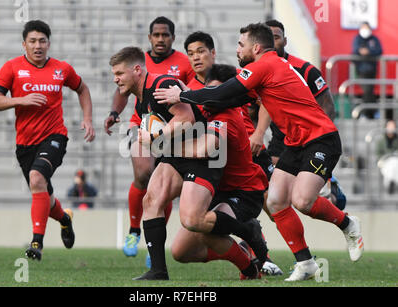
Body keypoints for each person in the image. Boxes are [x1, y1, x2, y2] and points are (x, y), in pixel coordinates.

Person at [154, 23, 364, 281]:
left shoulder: (263, 65)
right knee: (276, 201)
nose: (237, 49)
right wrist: (193, 98)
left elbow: (224, 91)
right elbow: (231, 99)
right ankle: (306, 262)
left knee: (302, 201)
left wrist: (183, 96)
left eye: (240, 45)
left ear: (255, 47)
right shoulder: (267, 69)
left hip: (321, 139)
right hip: (296, 142)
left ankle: (348, 224)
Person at [0, 20, 96, 260]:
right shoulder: (12, 68)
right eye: (32, 41)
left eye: (42, 41)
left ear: (49, 43)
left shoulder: (62, 69)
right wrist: (20, 100)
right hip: (25, 143)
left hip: (55, 136)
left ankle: (36, 244)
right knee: (42, 194)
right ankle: (65, 219)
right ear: (24, 44)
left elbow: (82, 89)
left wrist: (88, 119)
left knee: (37, 179)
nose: (38, 46)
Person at [184, 31, 281, 276]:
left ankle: (260, 250)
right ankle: (244, 245)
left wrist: (259, 133)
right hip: (219, 181)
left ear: (213, 53)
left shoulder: (231, 91)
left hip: (246, 169)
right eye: (191, 53)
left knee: (276, 203)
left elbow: (266, 98)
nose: (196, 57)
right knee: (181, 251)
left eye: (201, 51)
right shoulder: (193, 91)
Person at [103, 16, 194, 259]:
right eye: (157, 35)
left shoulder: (184, 63)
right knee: (144, 173)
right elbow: (122, 90)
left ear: (173, 38)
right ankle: (134, 230)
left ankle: (155, 238)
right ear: (150, 38)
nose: (161, 39)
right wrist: (114, 112)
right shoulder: (136, 62)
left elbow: (192, 95)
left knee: (162, 184)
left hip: (173, 128)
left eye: (165, 35)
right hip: (142, 124)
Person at [170, 64, 271, 280]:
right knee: (181, 252)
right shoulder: (207, 109)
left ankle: (249, 257)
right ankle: (239, 250)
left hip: (243, 193)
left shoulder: (228, 118)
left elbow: (205, 149)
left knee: (206, 230)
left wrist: (159, 143)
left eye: (218, 92)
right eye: (210, 92)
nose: (212, 98)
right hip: (218, 190)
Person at [261, 19, 346, 211]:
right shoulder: (259, 70)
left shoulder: (304, 69)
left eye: (277, 37)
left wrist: (315, 137)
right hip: (281, 136)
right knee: (274, 198)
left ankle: (328, 183)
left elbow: (328, 107)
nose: (273, 43)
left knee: (300, 199)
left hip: (308, 137)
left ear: (285, 40)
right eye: (269, 38)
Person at [352, 21, 383, 119]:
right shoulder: (357, 39)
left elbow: (379, 51)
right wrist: (361, 52)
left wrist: (369, 52)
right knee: (367, 91)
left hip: (372, 70)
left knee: (369, 91)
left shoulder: (374, 39)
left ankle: (369, 113)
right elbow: (355, 50)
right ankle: (370, 113)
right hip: (361, 70)